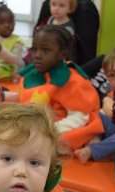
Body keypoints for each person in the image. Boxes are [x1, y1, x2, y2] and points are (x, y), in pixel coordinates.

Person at [17, 25, 103, 154]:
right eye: (34, 49)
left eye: (45, 50)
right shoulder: (37, 73)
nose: (37, 55)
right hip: (43, 121)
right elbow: (27, 97)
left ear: (62, 54)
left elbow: (80, 117)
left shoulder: (73, 81)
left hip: (66, 125)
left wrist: (50, 130)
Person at [32, 0, 99, 66]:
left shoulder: (69, 28)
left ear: (69, 9)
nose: (56, 8)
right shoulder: (50, 18)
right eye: (53, 4)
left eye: (61, 5)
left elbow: (70, 50)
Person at [0, 3, 27, 81]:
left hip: (7, 68)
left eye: (10, 22)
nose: (7, 25)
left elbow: (14, 60)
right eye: (2, 23)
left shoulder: (17, 41)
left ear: (14, 23)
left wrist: (1, 50)